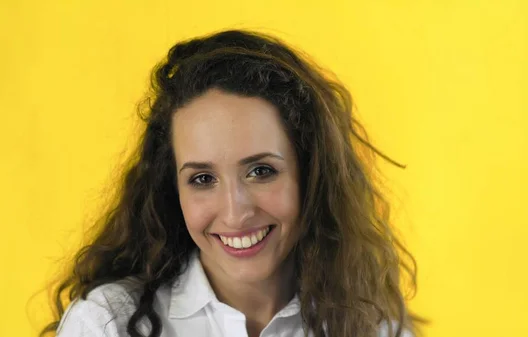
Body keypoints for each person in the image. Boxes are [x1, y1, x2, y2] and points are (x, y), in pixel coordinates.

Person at [40, 29, 422, 337]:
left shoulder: (376, 330)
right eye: (203, 179)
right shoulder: (107, 324)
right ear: (172, 189)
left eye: (261, 171)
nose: (236, 213)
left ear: (312, 174)